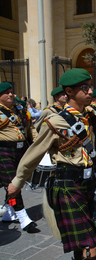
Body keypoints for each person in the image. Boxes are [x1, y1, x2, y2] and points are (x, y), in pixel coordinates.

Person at [6, 68, 96, 260]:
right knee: (91, 244)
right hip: (67, 185)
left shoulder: (89, 117)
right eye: (84, 88)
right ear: (69, 92)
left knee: (83, 242)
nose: (90, 92)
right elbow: (35, 153)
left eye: (90, 87)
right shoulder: (54, 121)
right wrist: (18, 181)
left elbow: (92, 152)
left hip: (88, 183)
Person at [0, 81, 39, 233]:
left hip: (20, 150)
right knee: (12, 183)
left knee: (19, 180)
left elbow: (29, 128)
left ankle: (9, 213)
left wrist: (36, 143)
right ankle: (23, 218)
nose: (11, 94)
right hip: (4, 150)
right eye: (6, 92)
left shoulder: (19, 110)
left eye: (11, 91)